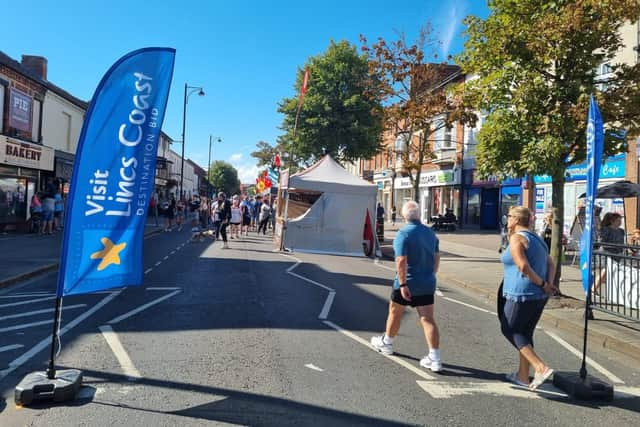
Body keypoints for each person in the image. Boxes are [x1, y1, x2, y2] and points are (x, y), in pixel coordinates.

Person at [370, 201, 443, 372]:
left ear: (403, 216)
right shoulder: (431, 233)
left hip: (407, 282)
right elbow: (437, 257)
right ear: (419, 216)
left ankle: (387, 342)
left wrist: (403, 283)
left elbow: (401, 260)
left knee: (395, 313)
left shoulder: (403, 234)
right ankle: (435, 357)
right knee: (427, 319)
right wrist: (430, 274)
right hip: (426, 282)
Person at [500, 206, 557, 390]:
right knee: (525, 334)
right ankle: (522, 376)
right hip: (539, 296)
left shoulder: (517, 238)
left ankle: (540, 367)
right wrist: (547, 284)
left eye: (509, 216)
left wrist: (541, 283)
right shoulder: (538, 239)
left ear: (516, 219)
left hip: (521, 294)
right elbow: (550, 262)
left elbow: (522, 266)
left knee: (510, 329)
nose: (507, 219)